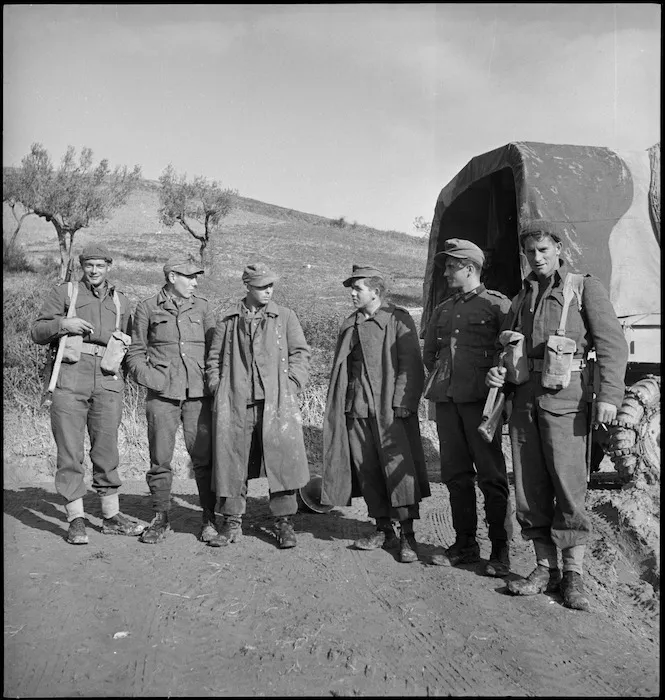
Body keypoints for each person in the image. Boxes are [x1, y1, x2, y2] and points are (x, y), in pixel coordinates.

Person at [486, 221, 628, 611]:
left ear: (558, 248)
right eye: (531, 252)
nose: (537, 258)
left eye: (544, 250)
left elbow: (612, 344)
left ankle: (573, 575)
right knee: (530, 488)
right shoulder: (521, 298)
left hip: (568, 403)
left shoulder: (583, 287)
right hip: (525, 405)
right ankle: (543, 568)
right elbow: (507, 346)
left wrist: (610, 396)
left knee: (569, 486)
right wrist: (500, 368)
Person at [31, 244, 144, 544]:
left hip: (108, 381)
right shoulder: (65, 293)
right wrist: (62, 324)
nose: (94, 271)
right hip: (70, 377)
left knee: (107, 450)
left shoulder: (121, 301)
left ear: (109, 267)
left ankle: (110, 516)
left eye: (100, 266)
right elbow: (37, 332)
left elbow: (131, 345)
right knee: (70, 451)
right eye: (89, 265)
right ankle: (76, 519)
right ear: (82, 266)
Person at [320, 265, 430, 563]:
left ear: (376, 291)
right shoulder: (350, 324)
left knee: (398, 471)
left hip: (390, 411)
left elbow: (411, 365)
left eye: (358, 288)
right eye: (352, 289)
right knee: (366, 468)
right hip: (356, 409)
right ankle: (383, 529)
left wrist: (404, 402)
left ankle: (408, 535)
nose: (352, 294)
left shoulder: (397, 320)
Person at [422, 239, 512, 576]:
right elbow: (430, 354)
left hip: (482, 405)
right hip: (448, 403)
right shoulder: (443, 310)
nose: (445, 273)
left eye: (450, 267)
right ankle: (464, 543)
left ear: (469, 269)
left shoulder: (497, 306)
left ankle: (500, 549)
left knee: (491, 476)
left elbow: (511, 354)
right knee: (456, 476)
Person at [205, 263, 311, 549]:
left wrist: (291, 386)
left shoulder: (285, 317)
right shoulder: (228, 321)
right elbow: (213, 361)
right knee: (232, 461)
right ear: (247, 287)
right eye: (262, 287)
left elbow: (301, 354)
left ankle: (284, 522)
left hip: (276, 404)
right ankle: (232, 522)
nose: (268, 291)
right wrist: (218, 388)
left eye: (271, 286)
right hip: (237, 403)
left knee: (282, 462)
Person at [126, 254, 216, 544]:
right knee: (160, 459)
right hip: (162, 396)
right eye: (189, 277)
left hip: (197, 395)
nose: (195, 282)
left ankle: (209, 519)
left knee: (203, 459)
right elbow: (135, 352)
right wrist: (152, 380)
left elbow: (215, 350)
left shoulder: (202, 307)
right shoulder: (147, 308)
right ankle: (160, 517)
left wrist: (212, 381)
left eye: (196, 277)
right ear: (172, 277)